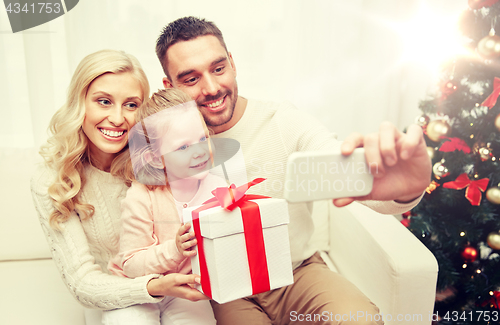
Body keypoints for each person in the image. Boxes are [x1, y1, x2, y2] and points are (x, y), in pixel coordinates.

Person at [155, 17, 432, 325]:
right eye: (190, 80)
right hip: (227, 290)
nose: (211, 88)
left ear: (232, 63)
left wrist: (405, 188)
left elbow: (340, 168)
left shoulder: (282, 121)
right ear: (170, 87)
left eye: (219, 69)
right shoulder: (166, 146)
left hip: (297, 272)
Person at [30, 50, 208, 322]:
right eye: (103, 101)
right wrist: (152, 287)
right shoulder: (53, 181)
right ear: (80, 103)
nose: (116, 118)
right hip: (113, 300)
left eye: (131, 105)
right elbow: (83, 283)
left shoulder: (159, 162)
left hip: (181, 289)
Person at [104, 88, 226, 324]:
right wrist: (176, 249)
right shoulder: (141, 197)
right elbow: (131, 265)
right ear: (156, 158)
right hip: (136, 288)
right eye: (183, 147)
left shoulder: (218, 188)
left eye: (203, 139)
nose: (200, 152)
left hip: (182, 290)